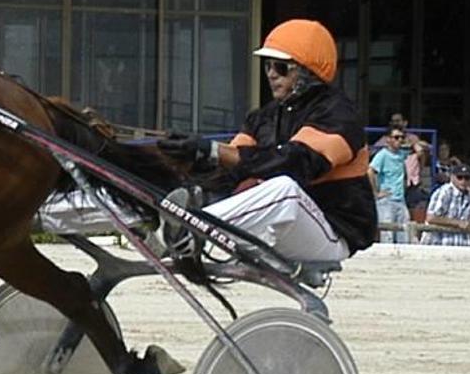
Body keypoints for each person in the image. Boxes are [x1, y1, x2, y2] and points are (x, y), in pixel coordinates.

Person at [159, 19, 377, 263]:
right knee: (198, 185)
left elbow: (296, 163)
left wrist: (212, 149)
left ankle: (184, 229)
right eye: (268, 66)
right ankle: (158, 222)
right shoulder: (264, 117)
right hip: (275, 227)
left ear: (307, 71)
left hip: (333, 232)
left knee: (285, 188)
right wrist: (194, 157)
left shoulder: (339, 114)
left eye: (281, 67)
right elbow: (232, 165)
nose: (271, 74)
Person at [368, 126, 412, 243]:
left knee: (405, 236)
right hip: (387, 200)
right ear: (388, 139)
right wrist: (375, 193)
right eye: (396, 137)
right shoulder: (382, 155)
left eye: (402, 137)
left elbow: (420, 150)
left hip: (401, 200)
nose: (399, 140)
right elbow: (370, 171)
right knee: (388, 236)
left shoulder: (401, 154)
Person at [421, 164, 470, 246]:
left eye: (466, 178)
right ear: (452, 177)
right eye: (459, 177)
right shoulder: (444, 192)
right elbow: (431, 218)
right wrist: (458, 223)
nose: (463, 181)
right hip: (439, 244)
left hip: (461, 246)